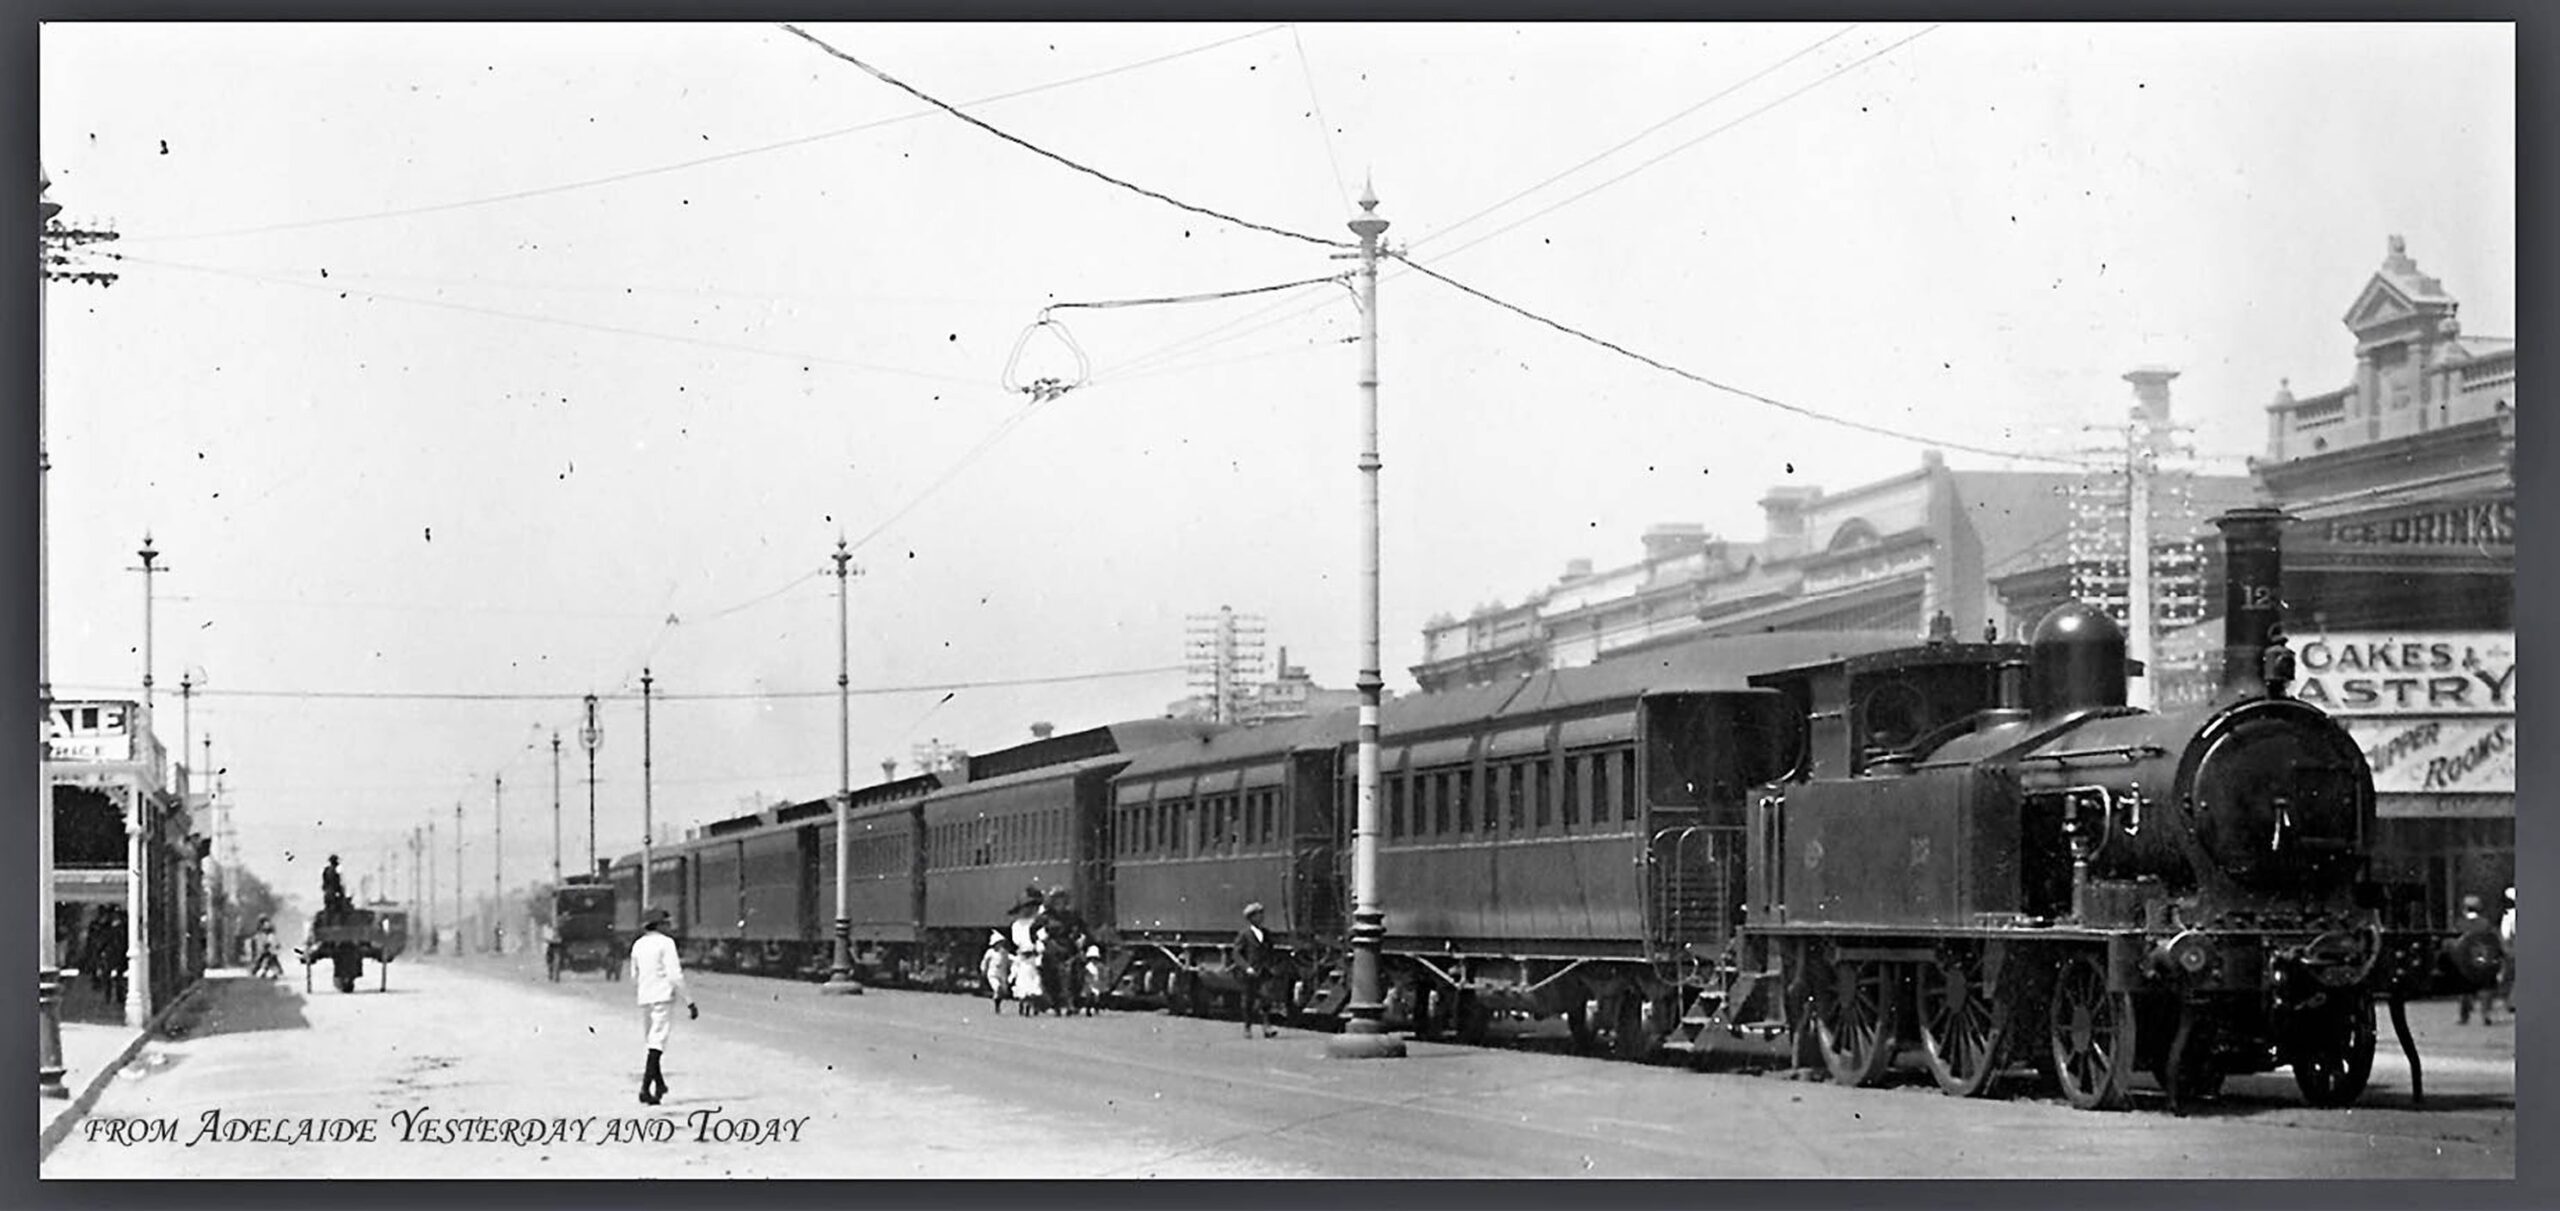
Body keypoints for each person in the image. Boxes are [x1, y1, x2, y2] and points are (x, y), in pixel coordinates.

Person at [629, 906, 697, 1104]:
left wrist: (643, 989)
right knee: (657, 1043)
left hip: (645, 997)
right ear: (659, 925)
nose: (669, 926)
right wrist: (689, 1001)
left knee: (652, 1042)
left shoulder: (638, 945)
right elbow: (675, 975)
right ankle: (645, 1088)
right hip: (662, 996)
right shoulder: (667, 943)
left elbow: (634, 975)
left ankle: (659, 1084)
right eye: (666, 923)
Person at [2455, 894, 2504, 1026]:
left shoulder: (2460, 923)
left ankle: (2464, 1016)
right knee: (2486, 988)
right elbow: (2494, 941)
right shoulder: (2486, 923)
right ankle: (2485, 1014)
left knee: (2464, 988)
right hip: (2483, 960)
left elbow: (2456, 943)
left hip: (2465, 961)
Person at [1234, 902, 1277, 1039]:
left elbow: (1271, 950)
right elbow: (1237, 954)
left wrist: (1271, 965)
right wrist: (1246, 967)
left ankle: (1267, 1026)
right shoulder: (1244, 935)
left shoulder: (1267, 934)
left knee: (1266, 998)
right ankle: (1247, 1027)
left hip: (1264, 971)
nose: (1261, 917)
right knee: (1248, 1001)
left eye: (1261, 914)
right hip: (1250, 973)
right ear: (1251, 918)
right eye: (1258, 915)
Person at [2499, 886, 2517, 1015]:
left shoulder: (2509, 915)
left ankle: (2511, 1001)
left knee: (2510, 977)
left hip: (2513, 948)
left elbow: (2505, 935)